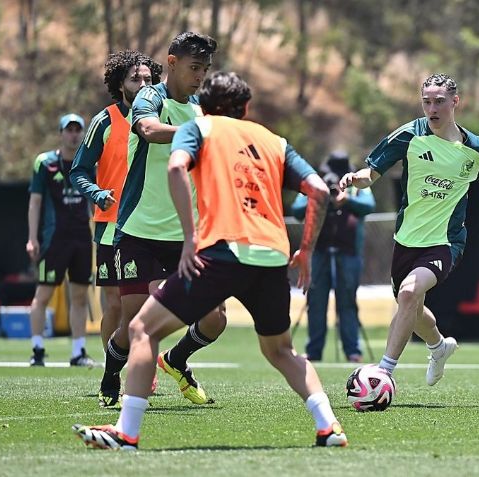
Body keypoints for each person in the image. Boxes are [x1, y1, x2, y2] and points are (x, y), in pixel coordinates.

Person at [73, 71, 347, 450]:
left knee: (142, 330)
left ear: (204, 105)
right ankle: (329, 426)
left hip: (220, 253)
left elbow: (174, 168)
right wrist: (307, 251)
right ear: (246, 108)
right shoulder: (273, 141)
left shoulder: (199, 128)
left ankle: (127, 432)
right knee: (281, 351)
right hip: (270, 256)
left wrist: (189, 237)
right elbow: (318, 190)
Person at [339, 73, 479, 387]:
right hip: (406, 238)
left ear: (455, 102)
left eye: (439, 102)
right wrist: (355, 179)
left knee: (409, 293)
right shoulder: (409, 135)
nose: (432, 109)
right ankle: (439, 346)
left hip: (446, 241)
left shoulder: (476, 148)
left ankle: (384, 372)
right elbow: (371, 173)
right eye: (426, 102)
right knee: (412, 308)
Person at [111, 32, 223, 406]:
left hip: (184, 235)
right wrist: (197, 134)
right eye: (194, 68)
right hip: (139, 231)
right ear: (172, 63)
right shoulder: (150, 97)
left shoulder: (198, 108)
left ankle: (176, 359)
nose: (200, 76)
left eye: (205, 70)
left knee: (215, 317)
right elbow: (149, 130)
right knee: (132, 323)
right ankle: (112, 375)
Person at [70, 50, 162, 407]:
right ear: (119, 84)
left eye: (148, 80)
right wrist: (97, 192)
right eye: (135, 79)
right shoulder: (105, 121)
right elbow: (79, 170)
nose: (143, 86)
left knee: (150, 302)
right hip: (111, 226)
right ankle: (117, 373)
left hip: (151, 223)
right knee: (115, 306)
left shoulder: (160, 117)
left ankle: (144, 365)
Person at [291, 150, 375, 362]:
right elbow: (297, 209)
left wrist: (346, 201)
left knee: (347, 302)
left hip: (349, 253)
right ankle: (314, 351)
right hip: (318, 252)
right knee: (316, 301)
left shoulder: (356, 187)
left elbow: (368, 206)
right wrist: (321, 199)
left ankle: (352, 351)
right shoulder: (316, 185)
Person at [26, 113, 95, 367]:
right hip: (53, 240)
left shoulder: (89, 164)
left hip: (81, 239)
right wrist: (32, 238)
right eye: (69, 129)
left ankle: (78, 352)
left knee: (79, 296)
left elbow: (95, 202)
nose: (74, 134)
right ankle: (37, 349)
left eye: (78, 130)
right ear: (61, 133)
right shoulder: (45, 163)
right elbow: (35, 201)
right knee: (43, 294)